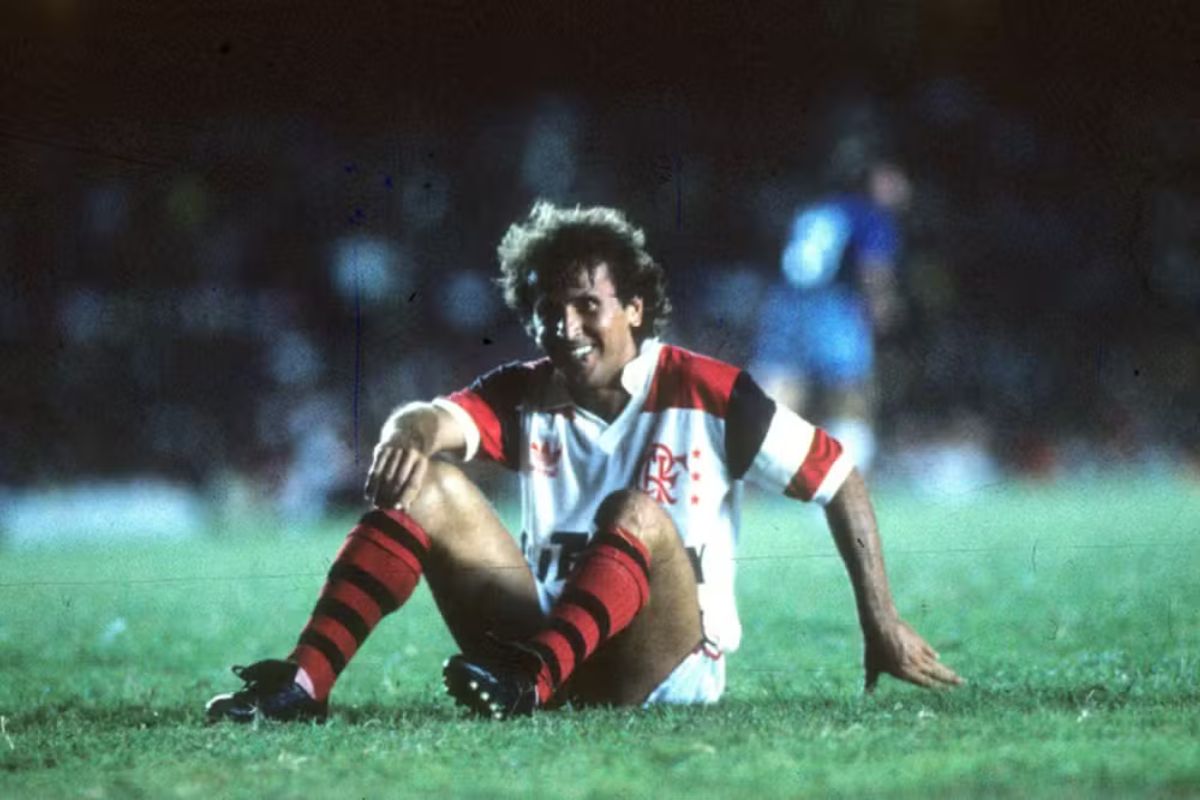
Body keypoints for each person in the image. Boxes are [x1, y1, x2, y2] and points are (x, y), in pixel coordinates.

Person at [205, 201, 960, 723]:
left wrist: (882, 621)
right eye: (546, 309)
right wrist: (405, 432)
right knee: (426, 483)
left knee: (632, 512)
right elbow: (432, 417)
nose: (563, 327)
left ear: (634, 308)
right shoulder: (526, 391)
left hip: (664, 668)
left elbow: (839, 478)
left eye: (585, 305)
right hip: (542, 640)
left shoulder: (710, 390)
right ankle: (304, 686)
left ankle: (533, 678)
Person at [751, 157, 911, 472]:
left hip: (785, 301)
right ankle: (842, 481)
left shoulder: (815, 209)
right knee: (850, 394)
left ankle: (753, 475)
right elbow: (873, 268)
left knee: (778, 394)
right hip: (833, 305)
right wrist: (881, 305)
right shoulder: (871, 216)